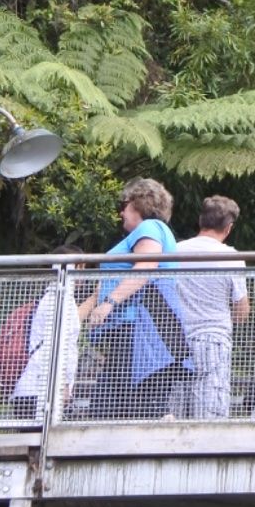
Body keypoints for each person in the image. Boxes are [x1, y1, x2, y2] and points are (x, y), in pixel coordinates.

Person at [77, 178, 191, 420]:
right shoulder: (146, 233)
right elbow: (108, 284)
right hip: (134, 328)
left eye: (124, 204)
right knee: (122, 401)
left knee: (115, 404)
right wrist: (79, 315)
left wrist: (111, 303)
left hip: (139, 327)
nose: (121, 211)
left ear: (139, 202)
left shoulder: (149, 227)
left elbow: (147, 264)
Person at [171, 196, 250, 420]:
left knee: (176, 408)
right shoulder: (231, 257)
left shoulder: (174, 251)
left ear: (200, 220)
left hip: (175, 339)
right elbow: (241, 311)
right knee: (210, 410)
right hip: (213, 339)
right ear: (229, 228)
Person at [9, 265, 81, 423]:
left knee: (31, 444)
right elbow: (65, 346)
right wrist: (66, 384)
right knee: (48, 443)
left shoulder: (44, 299)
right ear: (78, 267)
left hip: (25, 389)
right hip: (44, 393)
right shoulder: (64, 300)